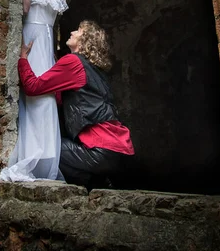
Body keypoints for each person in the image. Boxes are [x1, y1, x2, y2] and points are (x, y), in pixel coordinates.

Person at [18, 20, 134, 188]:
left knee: (45, 151)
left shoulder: (73, 62)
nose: (72, 32)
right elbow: (64, 100)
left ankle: (97, 183)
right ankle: (101, 184)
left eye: (79, 30)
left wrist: (23, 58)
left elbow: (32, 87)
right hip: (118, 150)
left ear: (86, 40)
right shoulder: (94, 69)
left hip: (100, 150)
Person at [0, 0, 68, 182]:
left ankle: (46, 159)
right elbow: (22, 13)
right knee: (35, 94)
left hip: (47, 44)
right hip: (32, 39)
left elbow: (53, 25)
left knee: (48, 96)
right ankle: (31, 155)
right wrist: (21, 48)